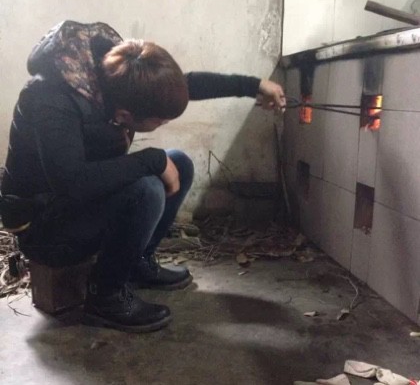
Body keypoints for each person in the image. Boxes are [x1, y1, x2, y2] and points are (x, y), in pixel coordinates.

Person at [0, 21, 286, 333]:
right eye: (160, 121)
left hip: (74, 206)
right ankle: (105, 296)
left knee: (179, 164)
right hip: (44, 227)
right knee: (147, 188)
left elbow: (185, 86)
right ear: (124, 115)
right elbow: (72, 182)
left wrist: (255, 85)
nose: (163, 123)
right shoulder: (51, 98)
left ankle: (137, 263)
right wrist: (152, 159)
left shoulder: (112, 79)